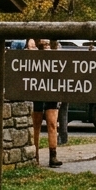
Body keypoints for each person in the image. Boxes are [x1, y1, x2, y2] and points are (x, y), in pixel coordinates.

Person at [28, 38, 62, 168]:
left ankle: (53, 155)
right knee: (36, 124)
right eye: (44, 44)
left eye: (48, 44)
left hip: (52, 92)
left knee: (52, 123)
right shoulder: (33, 57)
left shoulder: (57, 57)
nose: (46, 46)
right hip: (37, 92)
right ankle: (35, 155)